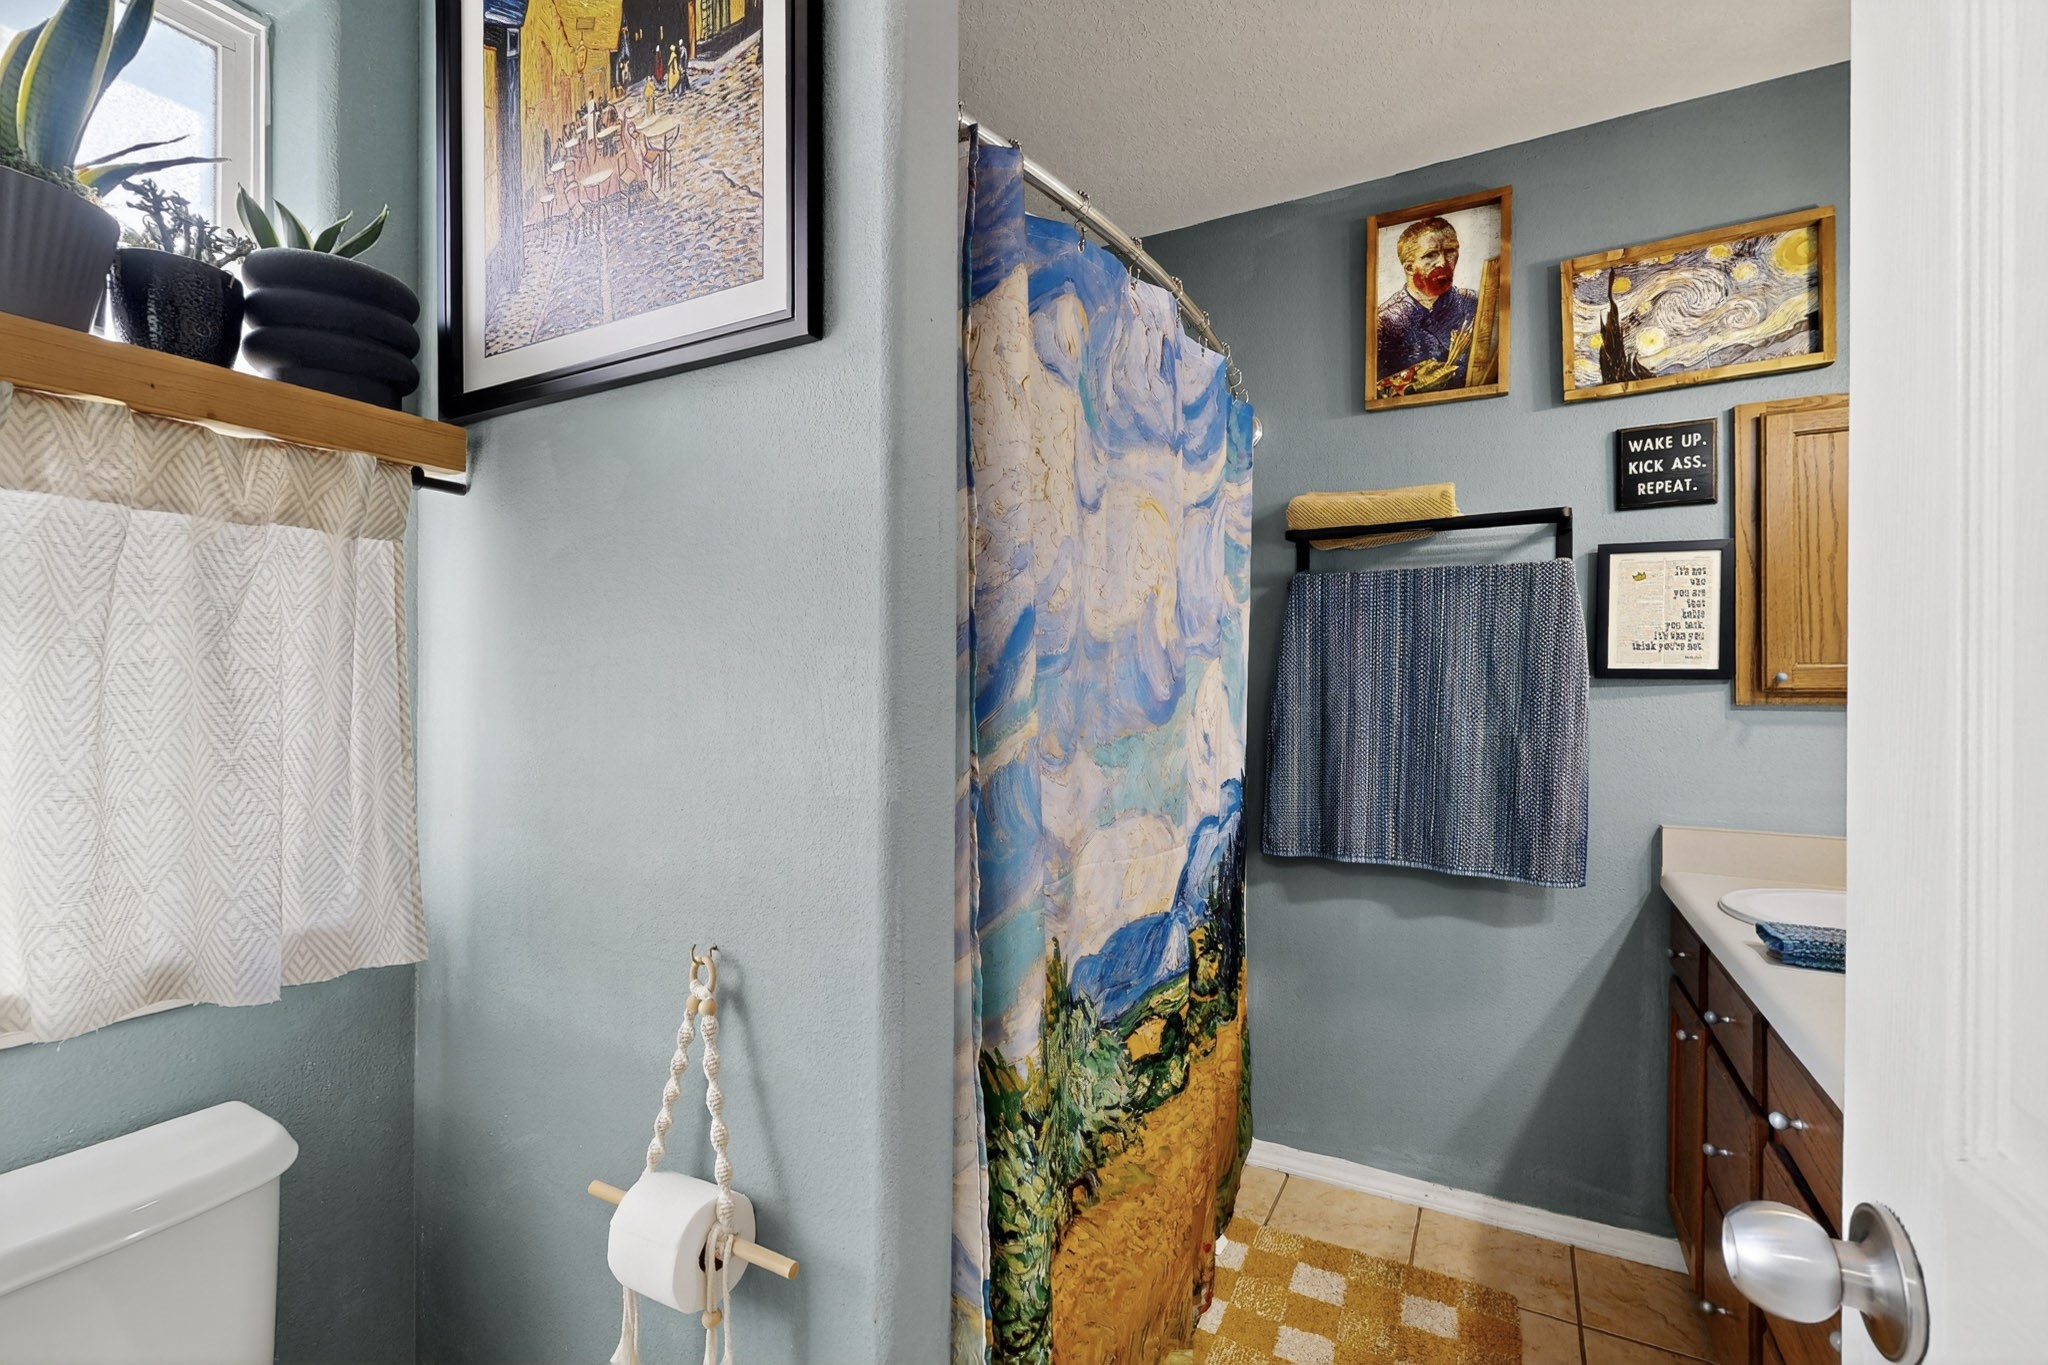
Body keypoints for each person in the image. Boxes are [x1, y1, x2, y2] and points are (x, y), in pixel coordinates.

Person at [1375, 216, 1480, 393]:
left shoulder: (1472, 304)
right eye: (1431, 255)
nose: (1443, 263)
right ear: (1409, 268)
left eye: (1450, 251)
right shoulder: (1385, 321)